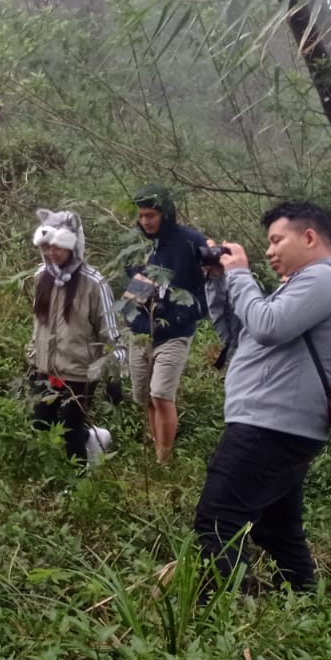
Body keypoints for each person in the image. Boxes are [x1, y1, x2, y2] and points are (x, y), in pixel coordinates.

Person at [195, 201, 331, 593]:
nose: (268, 251)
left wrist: (240, 274)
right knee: (277, 530)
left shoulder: (323, 279)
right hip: (276, 425)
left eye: (275, 240)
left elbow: (267, 326)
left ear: (309, 237)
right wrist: (220, 281)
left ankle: (224, 619)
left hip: (269, 427)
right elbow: (240, 338)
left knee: (218, 520)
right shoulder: (300, 286)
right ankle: (304, 605)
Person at [26, 209, 126, 466]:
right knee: (40, 423)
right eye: (48, 247)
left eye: (59, 247)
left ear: (74, 245)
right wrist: (32, 358)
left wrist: (115, 374)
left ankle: (80, 479)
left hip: (80, 372)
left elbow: (110, 331)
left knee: (69, 428)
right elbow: (38, 325)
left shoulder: (94, 283)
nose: (52, 252)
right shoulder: (41, 277)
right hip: (46, 369)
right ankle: (92, 438)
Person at [122, 183, 210, 464]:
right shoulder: (138, 244)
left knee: (161, 394)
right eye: (142, 215)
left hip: (175, 332)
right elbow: (133, 279)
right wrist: (134, 307)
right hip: (141, 331)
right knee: (145, 396)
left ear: (165, 213)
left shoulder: (190, 241)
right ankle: (155, 445)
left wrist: (183, 314)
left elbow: (209, 287)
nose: (146, 221)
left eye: (152, 215)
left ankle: (164, 459)